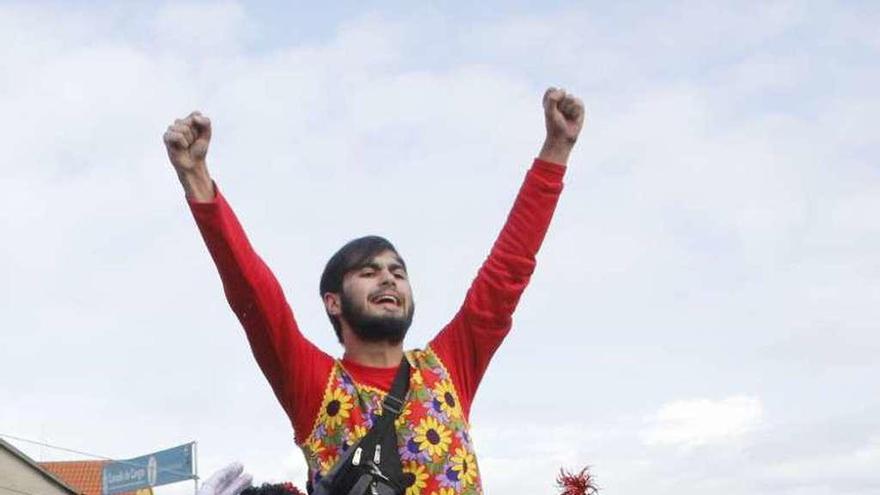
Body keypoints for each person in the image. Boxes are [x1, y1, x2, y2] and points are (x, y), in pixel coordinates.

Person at [163, 87, 585, 495]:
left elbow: (508, 272)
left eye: (397, 271)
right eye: (369, 271)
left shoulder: (448, 369)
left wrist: (556, 151)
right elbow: (252, 294)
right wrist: (197, 179)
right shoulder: (314, 385)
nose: (389, 278)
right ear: (333, 302)